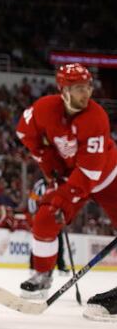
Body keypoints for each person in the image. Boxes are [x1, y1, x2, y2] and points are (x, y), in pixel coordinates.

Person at [16, 63, 117, 298]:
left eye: (88, 87)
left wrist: (62, 196)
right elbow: (24, 131)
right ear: (64, 90)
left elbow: (89, 174)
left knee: (55, 204)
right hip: (71, 176)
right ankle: (42, 276)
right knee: (44, 218)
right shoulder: (45, 108)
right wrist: (47, 159)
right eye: (79, 88)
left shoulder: (96, 117)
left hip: (108, 178)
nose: (87, 93)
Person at [26, 177, 67, 273]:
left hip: (55, 217)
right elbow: (32, 199)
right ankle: (33, 266)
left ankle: (61, 266)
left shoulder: (59, 183)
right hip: (42, 216)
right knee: (38, 242)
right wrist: (33, 213)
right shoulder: (39, 185)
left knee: (59, 242)